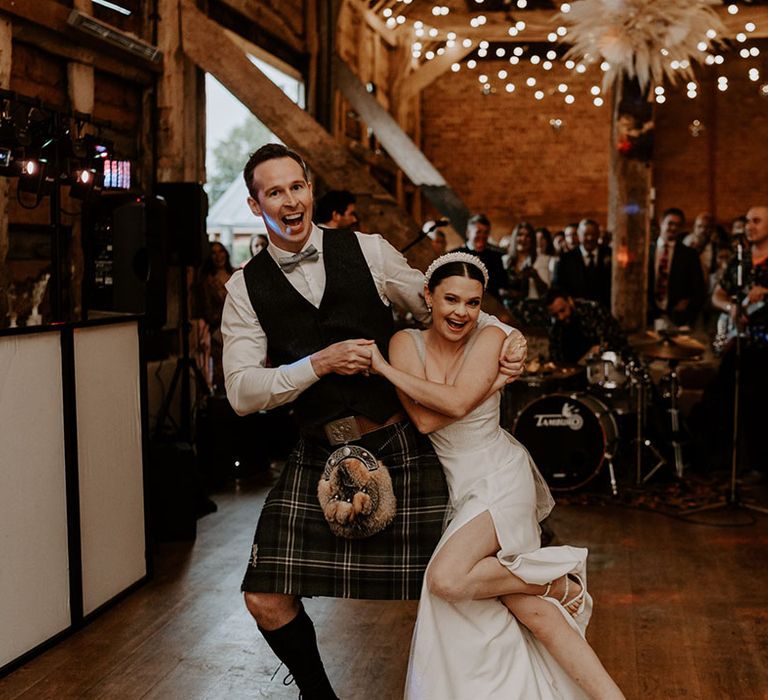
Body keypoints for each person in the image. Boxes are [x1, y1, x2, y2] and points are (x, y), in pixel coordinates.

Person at [221, 143, 527, 699]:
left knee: (465, 577)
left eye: (297, 187)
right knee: (265, 596)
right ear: (253, 202)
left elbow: (447, 306)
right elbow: (241, 392)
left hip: (402, 440)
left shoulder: (368, 250)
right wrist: (316, 364)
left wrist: (506, 333)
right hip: (319, 452)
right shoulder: (244, 288)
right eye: (274, 192)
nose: (290, 201)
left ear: (310, 190)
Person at [369, 253, 624, 699]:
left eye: (472, 302)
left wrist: (385, 373)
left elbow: (450, 406)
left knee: (447, 579)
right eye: (450, 299)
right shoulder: (405, 342)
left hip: (501, 476)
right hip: (458, 485)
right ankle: (600, 675)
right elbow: (427, 421)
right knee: (529, 609)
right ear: (427, 295)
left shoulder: (491, 336)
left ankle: (557, 580)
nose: (460, 312)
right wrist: (492, 385)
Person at [647, 207, 706, 330]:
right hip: (649, 315)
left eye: (678, 225)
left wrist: (688, 303)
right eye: (670, 223)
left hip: (677, 318)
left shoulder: (690, 254)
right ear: (661, 223)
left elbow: (699, 288)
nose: (673, 228)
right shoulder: (646, 252)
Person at [544, 288, 630, 364]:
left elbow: (616, 340)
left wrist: (596, 351)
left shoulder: (593, 312)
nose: (560, 317)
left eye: (562, 310)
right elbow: (556, 359)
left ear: (570, 301)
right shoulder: (556, 327)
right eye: (555, 315)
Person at [195, 241, 234, 393]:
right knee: (222, 372)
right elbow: (206, 310)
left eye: (221, 251)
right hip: (219, 332)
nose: (218, 256)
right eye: (214, 253)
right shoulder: (208, 282)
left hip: (240, 328)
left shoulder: (236, 275)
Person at [552, 219, 612, 309]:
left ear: (598, 235)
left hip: (605, 310)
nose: (590, 238)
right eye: (586, 234)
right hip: (576, 312)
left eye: (593, 234)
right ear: (579, 236)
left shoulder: (610, 254)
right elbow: (557, 287)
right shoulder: (565, 259)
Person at [454, 213, 508, 300]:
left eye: (485, 232)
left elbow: (502, 284)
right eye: (478, 232)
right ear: (468, 233)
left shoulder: (496, 257)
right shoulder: (456, 255)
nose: (482, 236)